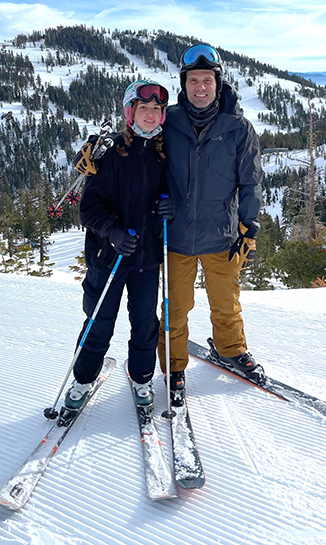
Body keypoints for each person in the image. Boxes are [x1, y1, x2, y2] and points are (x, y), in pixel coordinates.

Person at [158, 43, 263, 395]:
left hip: (222, 235)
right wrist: (106, 151)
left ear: (218, 84)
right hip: (177, 235)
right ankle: (173, 366)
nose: (200, 87)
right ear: (183, 84)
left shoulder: (238, 128)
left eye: (207, 80)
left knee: (226, 303)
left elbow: (250, 182)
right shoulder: (167, 122)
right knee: (175, 308)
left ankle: (231, 350)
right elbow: (135, 143)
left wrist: (249, 228)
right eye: (193, 81)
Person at [65, 79, 174, 408]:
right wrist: (112, 233)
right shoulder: (111, 153)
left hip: (146, 257)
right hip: (108, 257)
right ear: (131, 112)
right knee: (99, 322)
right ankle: (83, 379)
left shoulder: (164, 153)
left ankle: (142, 379)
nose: (151, 114)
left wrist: (170, 207)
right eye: (144, 107)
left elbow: (172, 196)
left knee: (145, 323)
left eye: (157, 108)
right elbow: (90, 209)